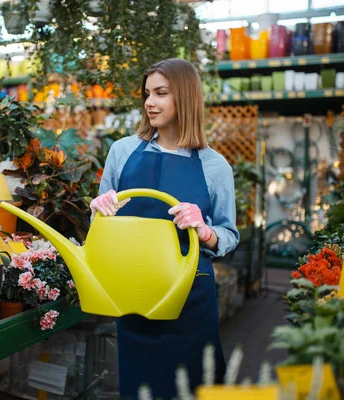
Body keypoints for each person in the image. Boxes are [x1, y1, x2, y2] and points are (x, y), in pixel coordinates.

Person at [90, 58, 239, 399]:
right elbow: (99, 226)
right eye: (146, 94)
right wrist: (99, 209)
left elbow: (228, 235)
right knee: (139, 389)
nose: (149, 103)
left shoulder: (215, 166)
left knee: (193, 388)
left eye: (160, 93)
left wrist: (203, 228)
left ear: (184, 97)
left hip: (189, 300)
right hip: (134, 296)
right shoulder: (123, 151)